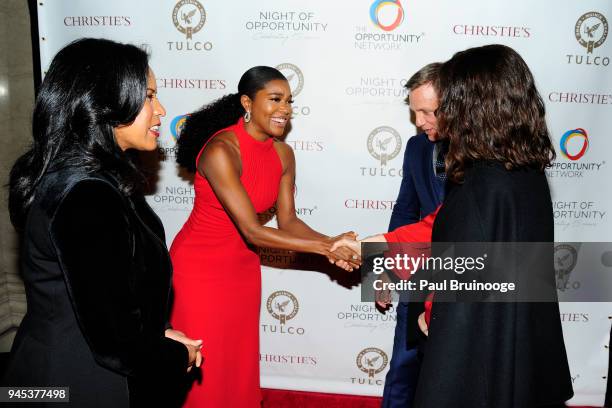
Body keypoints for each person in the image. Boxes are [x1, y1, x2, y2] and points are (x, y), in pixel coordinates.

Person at [334, 44, 573, 407]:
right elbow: (442, 229)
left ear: (473, 104)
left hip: (476, 357)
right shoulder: (523, 173)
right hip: (517, 343)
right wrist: (374, 248)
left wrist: (432, 310)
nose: (443, 113)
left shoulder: (483, 186)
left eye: (450, 101)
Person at [3, 38, 202, 408]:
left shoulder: (84, 177)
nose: (160, 110)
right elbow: (116, 344)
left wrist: (158, 335)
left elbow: (109, 299)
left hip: (48, 372)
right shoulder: (88, 196)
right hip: (80, 385)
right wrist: (178, 356)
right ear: (105, 101)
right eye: (148, 97)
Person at [172, 66, 359, 407]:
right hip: (199, 270)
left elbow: (288, 222)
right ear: (247, 102)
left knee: (236, 364)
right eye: (275, 99)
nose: (284, 109)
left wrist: (333, 242)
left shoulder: (283, 154)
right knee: (203, 368)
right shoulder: (221, 150)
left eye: (289, 101)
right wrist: (326, 247)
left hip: (242, 269)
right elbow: (253, 230)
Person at [380, 62, 446, 408]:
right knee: (403, 369)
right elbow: (405, 211)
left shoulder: (484, 151)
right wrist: (383, 270)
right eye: (414, 112)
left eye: (427, 111)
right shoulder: (416, 147)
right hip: (418, 274)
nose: (419, 121)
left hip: (466, 282)